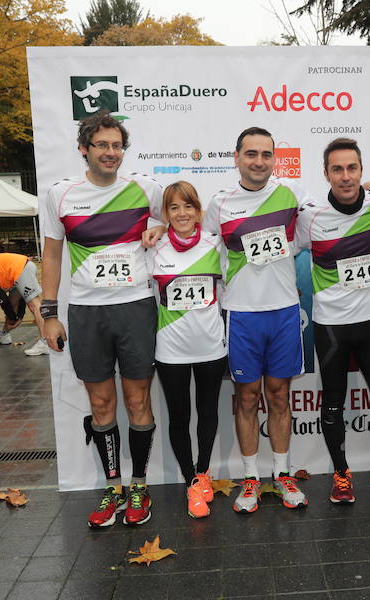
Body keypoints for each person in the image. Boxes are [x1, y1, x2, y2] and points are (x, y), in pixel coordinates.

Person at [39, 110, 163, 528]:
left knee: (137, 400)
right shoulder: (59, 194)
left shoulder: (146, 187)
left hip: (136, 308)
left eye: (117, 146)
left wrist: (159, 228)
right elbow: (52, 255)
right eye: (102, 145)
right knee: (101, 402)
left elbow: (181, 214)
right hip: (88, 312)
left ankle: (140, 486)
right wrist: (49, 312)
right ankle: (114, 487)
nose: (111, 153)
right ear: (83, 149)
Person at [295, 138, 370, 504]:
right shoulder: (309, 216)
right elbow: (280, 245)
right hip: (330, 325)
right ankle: (341, 474)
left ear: (362, 171)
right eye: (337, 169)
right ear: (325, 174)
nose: (345, 177)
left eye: (352, 168)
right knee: (332, 402)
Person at [203, 127, 310, 513]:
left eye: (266, 154)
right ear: (236, 157)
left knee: (279, 395)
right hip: (243, 314)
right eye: (251, 154)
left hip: (282, 312)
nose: (259, 161)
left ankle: (281, 475)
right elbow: (198, 247)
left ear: (273, 159)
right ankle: (250, 479)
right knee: (246, 397)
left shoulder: (293, 193)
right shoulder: (219, 203)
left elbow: (339, 206)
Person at [150, 181, 226, 519]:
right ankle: (190, 481)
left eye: (188, 206)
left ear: (199, 210)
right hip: (171, 349)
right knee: (179, 417)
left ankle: (204, 472)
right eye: (174, 208)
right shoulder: (154, 246)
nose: (182, 214)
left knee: (208, 412)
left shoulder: (215, 242)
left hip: (211, 344)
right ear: (164, 213)